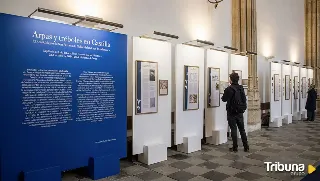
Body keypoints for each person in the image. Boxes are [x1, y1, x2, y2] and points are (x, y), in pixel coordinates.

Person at [222, 72, 249, 152]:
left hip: (231, 112)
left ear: (230, 79)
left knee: (233, 129)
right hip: (240, 112)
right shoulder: (241, 88)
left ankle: (235, 147)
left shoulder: (229, 89)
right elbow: (244, 99)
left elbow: (224, 99)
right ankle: (246, 146)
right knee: (242, 129)